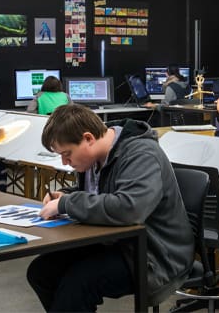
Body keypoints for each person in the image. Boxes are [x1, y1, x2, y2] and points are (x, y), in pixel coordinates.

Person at [26, 104, 194, 312]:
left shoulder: (141, 154)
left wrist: (67, 203)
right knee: (41, 272)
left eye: (67, 153)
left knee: (78, 283)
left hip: (153, 254)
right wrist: (67, 195)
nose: (65, 162)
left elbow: (130, 209)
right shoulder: (95, 156)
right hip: (117, 242)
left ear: (88, 138)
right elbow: (99, 193)